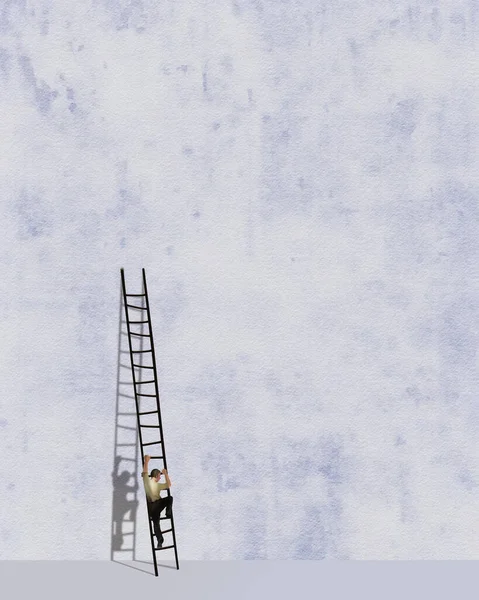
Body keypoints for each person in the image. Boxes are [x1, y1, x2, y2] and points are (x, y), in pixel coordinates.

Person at [142, 454, 173, 549]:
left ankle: (160, 541)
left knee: (156, 525)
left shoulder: (148, 482)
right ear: (156, 475)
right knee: (169, 498)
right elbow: (169, 484)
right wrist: (166, 473)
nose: (160, 478)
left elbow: (168, 485)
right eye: (160, 476)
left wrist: (147, 461)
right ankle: (168, 513)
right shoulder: (149, 482)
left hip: (152, 509)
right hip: (156, 505)